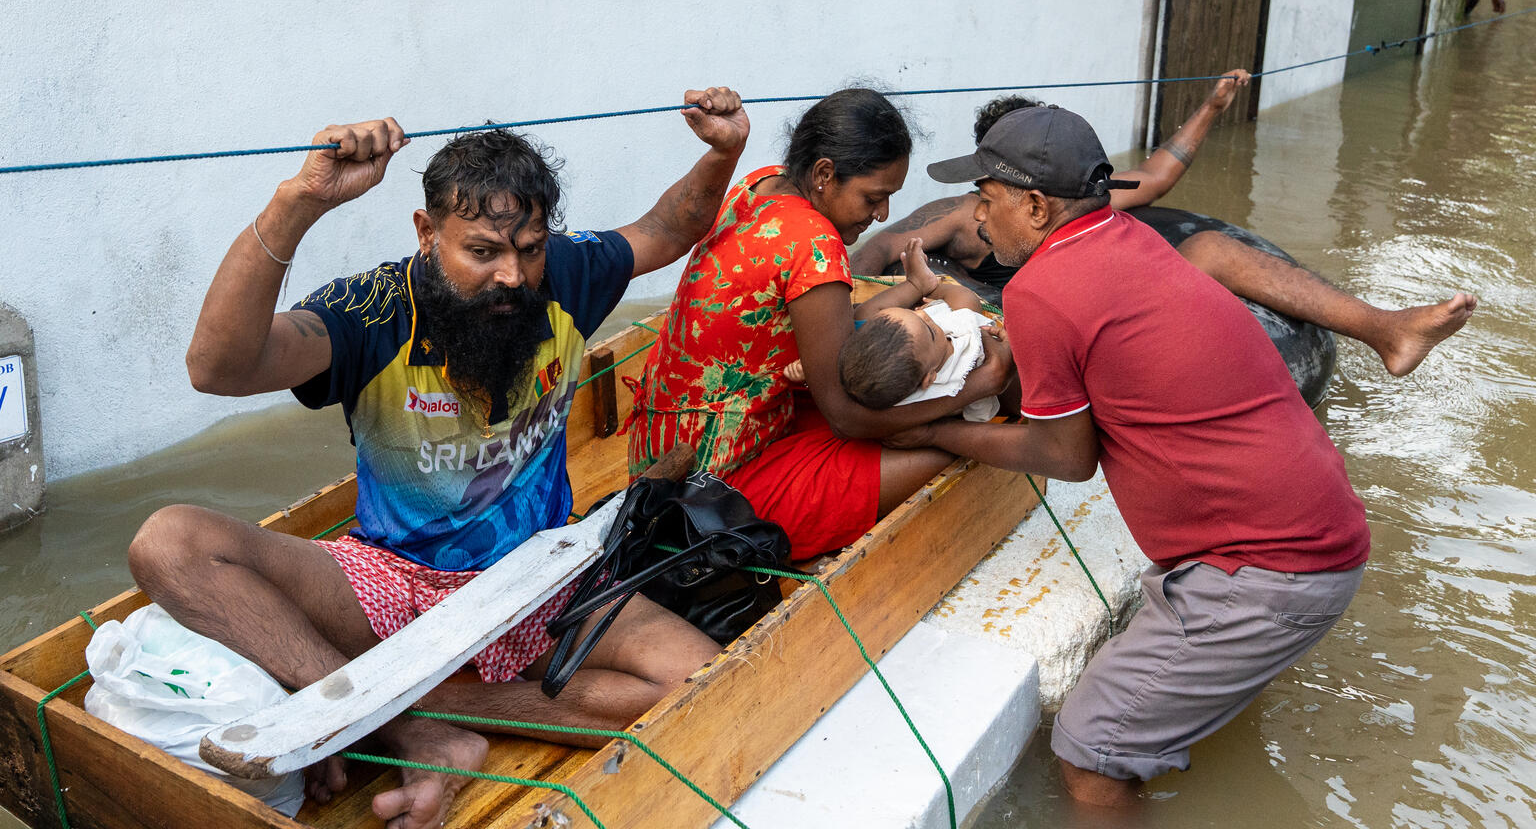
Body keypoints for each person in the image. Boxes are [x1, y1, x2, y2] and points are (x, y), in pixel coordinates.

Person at [127, 88, 750, 829]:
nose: (511, 277)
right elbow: (218, 366)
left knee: (700, 682)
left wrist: (723, 152)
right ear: (427, 231)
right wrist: (299, 201)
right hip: (390, 582)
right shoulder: (371, 311)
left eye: (526, 250)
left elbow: (666, 226)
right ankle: (414, 730)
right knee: (168, 542)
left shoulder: (566, 276)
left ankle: (397, 705)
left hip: (543, 576)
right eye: (481, 253)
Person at [907, 104, 1371, 805]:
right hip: (1317, 534)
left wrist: (937, 432)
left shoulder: (1042, 288)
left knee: (1092, 752)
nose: (976, 216)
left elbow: (1064, 455)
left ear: (1035, 206)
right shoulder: (1127, 238)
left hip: (1268, 568)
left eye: (987, 198)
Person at [852, 72, 1476, 377]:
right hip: (1036, 313)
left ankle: (1384, 328)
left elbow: (1154, 179)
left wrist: (1211, 107)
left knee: (1209, 247)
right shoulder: (966, 215)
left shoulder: (1074, 198)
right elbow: (886, 247)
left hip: (1100, 299)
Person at [625, 89, 1011, 561]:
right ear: (824, 174)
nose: (882, 215)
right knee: (969, 439)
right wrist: (976, 389)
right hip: (716, 484)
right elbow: (847, 418)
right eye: (875, 197)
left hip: (661, 446)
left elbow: (830, 329)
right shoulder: (815, 242)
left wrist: (912, 292)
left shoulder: (760, 184)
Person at [835, 238, 1002, 422]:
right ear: (930, 378)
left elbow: (918, 329)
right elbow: (980, 413)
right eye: (930, 331)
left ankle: (916, 284)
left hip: (906, 348)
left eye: (910, 312)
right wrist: (936, 296)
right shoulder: (964, 367)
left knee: (863, 314)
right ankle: (925, 285)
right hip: (960, 326)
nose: (924, 315)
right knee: (967, 300)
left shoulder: (892, 386)